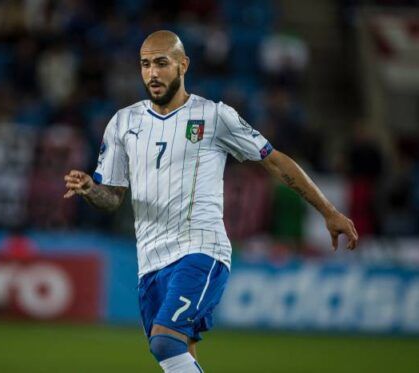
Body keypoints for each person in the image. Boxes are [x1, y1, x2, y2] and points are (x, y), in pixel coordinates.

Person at [63, 30, 358, 373]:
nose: (152, 73)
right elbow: (111, 198)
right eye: (145, 65)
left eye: (161, 63)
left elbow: (274, 160)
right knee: (179, 355)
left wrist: (330, 211)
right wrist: (88, 189)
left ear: (183, 64)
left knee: (165, 341)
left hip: (201, 249)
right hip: (151, 261)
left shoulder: (214, 116)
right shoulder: (123, 122)